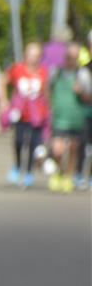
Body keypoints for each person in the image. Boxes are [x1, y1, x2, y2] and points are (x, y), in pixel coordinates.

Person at [1, 42, 49, 186]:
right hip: (20, 113)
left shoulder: (43, 72)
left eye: (36, 56)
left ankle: (28, 171)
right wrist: (3, 101)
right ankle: (17, 166)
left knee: (34, 143)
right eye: (30, 55)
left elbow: (46, 92)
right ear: (25, 55)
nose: (33, 59)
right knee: (19, 141)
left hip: (37, 115)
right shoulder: (17, 69)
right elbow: (3, 81)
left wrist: (48, 110)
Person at [47, 40, 92, 191]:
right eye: (68, 57)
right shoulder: (56, 72)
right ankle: (59, 171)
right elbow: (47, 90)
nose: (70, 60)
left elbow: (89, 97)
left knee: (73, 148)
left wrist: (81, 92)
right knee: (57, 149)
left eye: (74, 57)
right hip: (59, 116)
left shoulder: (82, 74)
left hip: (76, 117)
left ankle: (68, 175)